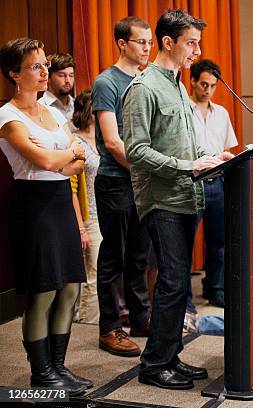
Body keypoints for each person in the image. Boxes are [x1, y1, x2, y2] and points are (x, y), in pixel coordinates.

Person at [123, 9, 231, 390]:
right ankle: (153, 366)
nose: (196, 50)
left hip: (188, 195)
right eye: (191, 42)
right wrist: (188, 166)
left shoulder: (179, 87)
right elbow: (135, 151)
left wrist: (214, 157)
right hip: (163, 198)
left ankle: (170, 356)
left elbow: (191, 142)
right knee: (171, 280)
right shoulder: (143, 88)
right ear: (168, 42)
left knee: (179, 281)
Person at [0, 37, 90, 395]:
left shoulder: (53, 113)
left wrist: (67, 155)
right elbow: (48, 161)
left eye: (44, 65)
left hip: (59, 202)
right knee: (43, 291)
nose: (44, 72)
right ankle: (41, 374)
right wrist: (69, 153)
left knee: (69, 287)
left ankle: (58, 367)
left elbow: (82, 160)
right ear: (13, 74)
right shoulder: (7, 116)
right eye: (35, 66)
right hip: (33, 206)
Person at [92, 16, 153, 357]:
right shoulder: (107, 82)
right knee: (114, 256)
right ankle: (110, 327)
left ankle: (140, 319)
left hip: (141, 181)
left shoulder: (146, 80)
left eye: (149, 42)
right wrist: (147, 170)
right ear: (122, 44)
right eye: (141, 42)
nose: (147, 48)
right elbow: (113, 143)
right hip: (116, 181)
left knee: (139, 255)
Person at [188, 59, 238, 313]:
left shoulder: (222, 113)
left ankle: (214, 288)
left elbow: (228, 148)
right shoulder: (183, 110)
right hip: (192, 182)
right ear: (193, 81)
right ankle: (183, 295)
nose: (208, 89)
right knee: (185, 241)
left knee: (219, 241)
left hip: (217, 182)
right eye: (204, 84)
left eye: (212, 85)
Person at [70, 89, 101, 324]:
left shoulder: (105, 138)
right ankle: (87, 322)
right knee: (93, 274)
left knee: (104, 273)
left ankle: (97, 319)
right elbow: (71, 187)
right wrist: (80, 226)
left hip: (108, 212)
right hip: (89, 215)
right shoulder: (75, 142)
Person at [38, 52, 75, 127]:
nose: (68, 80)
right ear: (48, 78)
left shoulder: (77, 105)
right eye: (61, 75)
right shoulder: (39, 108)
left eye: (71, 75)